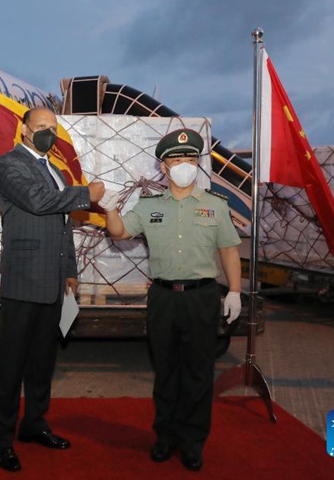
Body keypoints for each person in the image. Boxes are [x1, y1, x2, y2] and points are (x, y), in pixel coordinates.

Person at [102, 128, 242, 472]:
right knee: (165, 372)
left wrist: (236, 291)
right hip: (164, 298)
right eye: (177, 159)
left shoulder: (214, 205)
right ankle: (165, 437)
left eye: (190, 159)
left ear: (198, 164)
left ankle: (193, 442)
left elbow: (229, 249)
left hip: (202, 298)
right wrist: (108, 209)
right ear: (163, 167)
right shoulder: (149, 207)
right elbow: (120, 233)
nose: (184, 165)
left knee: (197, 372)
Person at [0, 107, 105, 472]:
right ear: (24, 130)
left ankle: (34, 424)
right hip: (24, 280)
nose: (47, 134)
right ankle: (0, 440)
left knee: (42, 362)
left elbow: (63, 226)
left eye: (53, 129)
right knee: (11, 365)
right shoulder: (9, 164)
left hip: (54, 281)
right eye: (41, 128)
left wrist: (69, 270)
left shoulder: (54, 170)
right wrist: (86, 193)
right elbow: (39, 202)